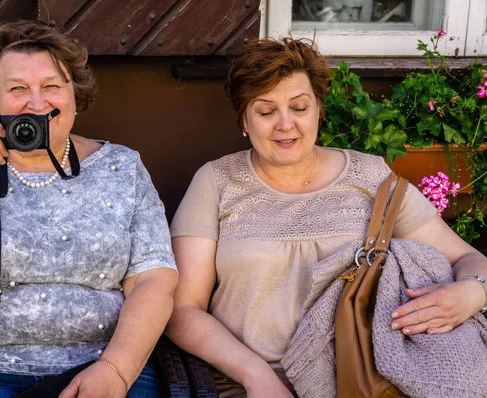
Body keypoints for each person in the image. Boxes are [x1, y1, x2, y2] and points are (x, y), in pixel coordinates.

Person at [165, 37, 487, 397]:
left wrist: (474, 290)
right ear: (243, 120)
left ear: (319, 108)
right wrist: (256, 375)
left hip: (360, 382)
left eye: (299, 107)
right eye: (265, 111)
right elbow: (183, 310)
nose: (285, 124)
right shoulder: (216, 181)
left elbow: (468, 258)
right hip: (249, 386)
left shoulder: (370, 177)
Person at [0, 20, 177, 398]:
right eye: (18, 88)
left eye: (52, 86)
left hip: (99, 364)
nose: (37, 103)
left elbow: (152, 282)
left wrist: (115, 370)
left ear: (75, 95)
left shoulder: (121, 167)